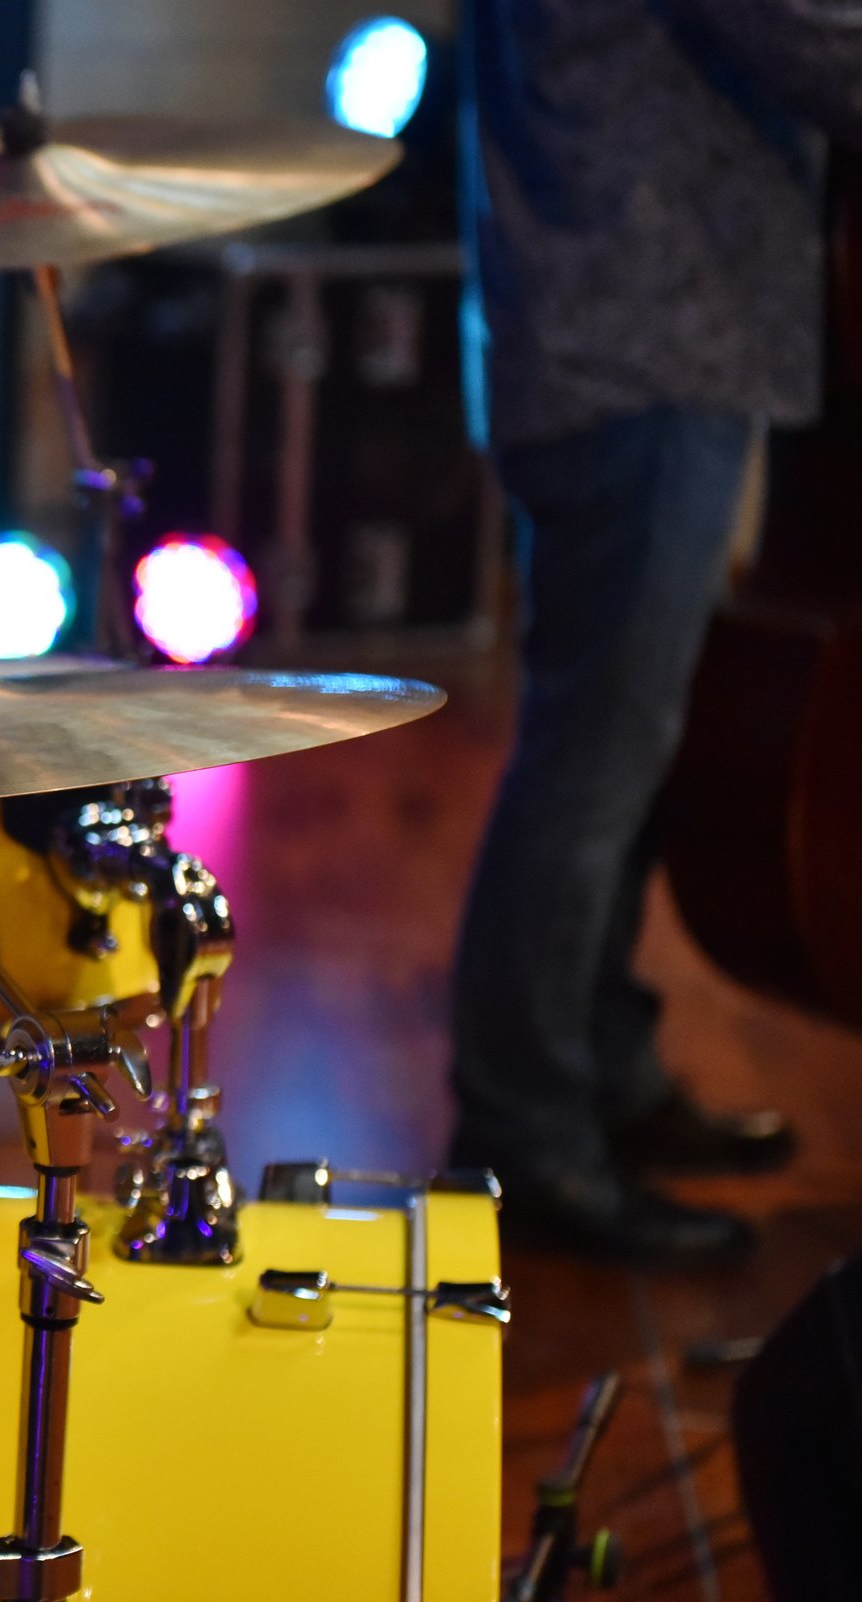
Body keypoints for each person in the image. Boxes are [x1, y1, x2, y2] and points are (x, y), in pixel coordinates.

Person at [450, 0, 862, 1263]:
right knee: (595, 764)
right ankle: (527, 1130)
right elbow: (822, 45)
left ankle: (606, 1068)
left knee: (618, 751)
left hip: (614, 333)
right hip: (642, 344)